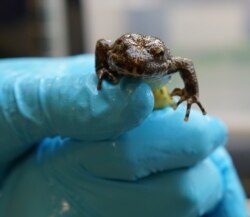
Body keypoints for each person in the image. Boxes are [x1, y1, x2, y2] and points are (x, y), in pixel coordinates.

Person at [0, 54, 248, 217]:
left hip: (157, 93)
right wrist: (101, 69)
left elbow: (186, 63)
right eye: (131, 64)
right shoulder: (120, 58)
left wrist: (190, 93)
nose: (138, 70)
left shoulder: (162, 63)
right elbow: (104, 45)